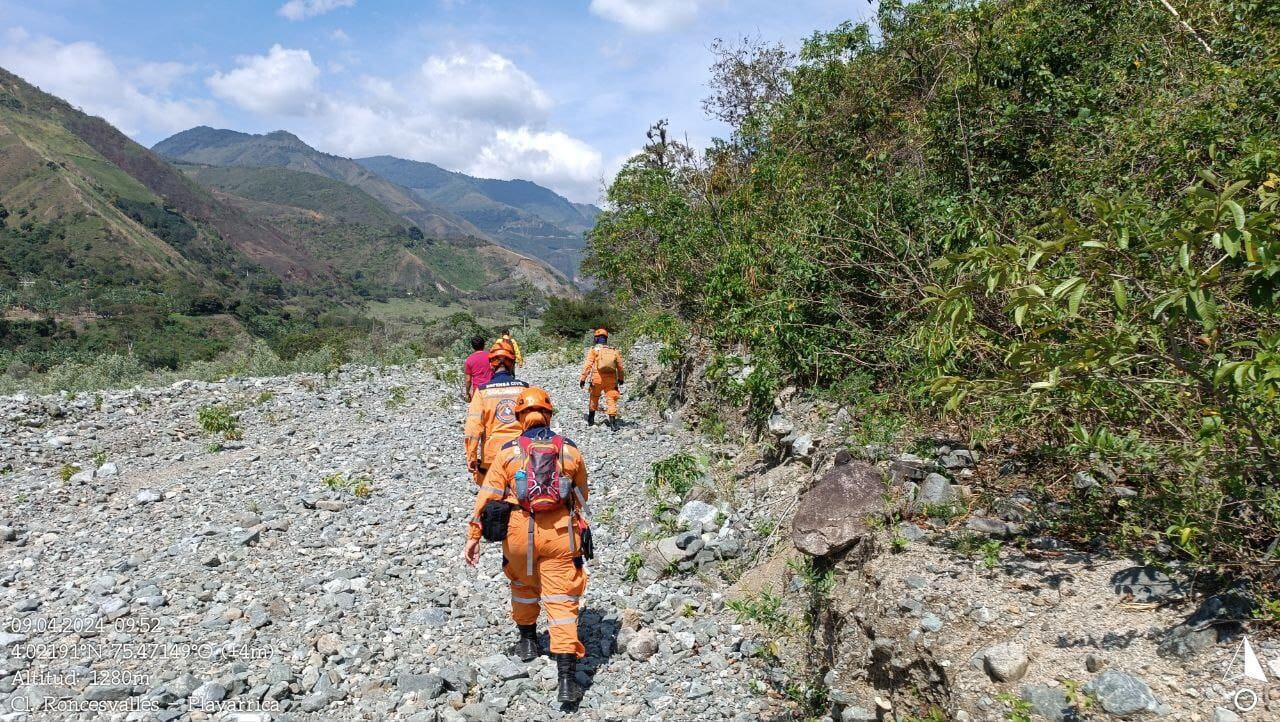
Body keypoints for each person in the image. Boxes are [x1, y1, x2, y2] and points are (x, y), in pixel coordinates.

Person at [463, 387, 590, 703]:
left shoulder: (507, 453)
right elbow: (582, 496)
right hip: (561, 534)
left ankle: (528, 642)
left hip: (519, 533)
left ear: (520, 417)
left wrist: (474, 536)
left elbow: (488, 496)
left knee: (522, 583)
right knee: (561, 601)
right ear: (548, 414)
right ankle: (566, 680)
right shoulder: (570, 451)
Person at [462, 341, 528, 486]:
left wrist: (471, 457)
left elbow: (473, 428)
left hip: (492, 456)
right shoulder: (525, 389)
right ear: (512, 364)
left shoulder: (482, 391)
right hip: (521, 453)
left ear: (491, 364)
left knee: (493, 500)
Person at [579, 328, 625, 429]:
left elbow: (588, 365)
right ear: (606, 338)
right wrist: (621, 378)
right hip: (611, 380)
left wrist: (583, 379)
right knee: (611, 399)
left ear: (596, 338)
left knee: (594, 398)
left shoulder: (594, 350)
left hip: (597, 379)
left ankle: (591, 421)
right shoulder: (614, 350)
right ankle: (613, 424)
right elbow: (620, 367)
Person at [462, 335, 492, 401]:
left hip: (478, 390)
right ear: (484, 345)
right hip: (491, 388)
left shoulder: (469, 360)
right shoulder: (490, 357)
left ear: (473, 347)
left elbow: (468, 380)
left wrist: (467, 393)